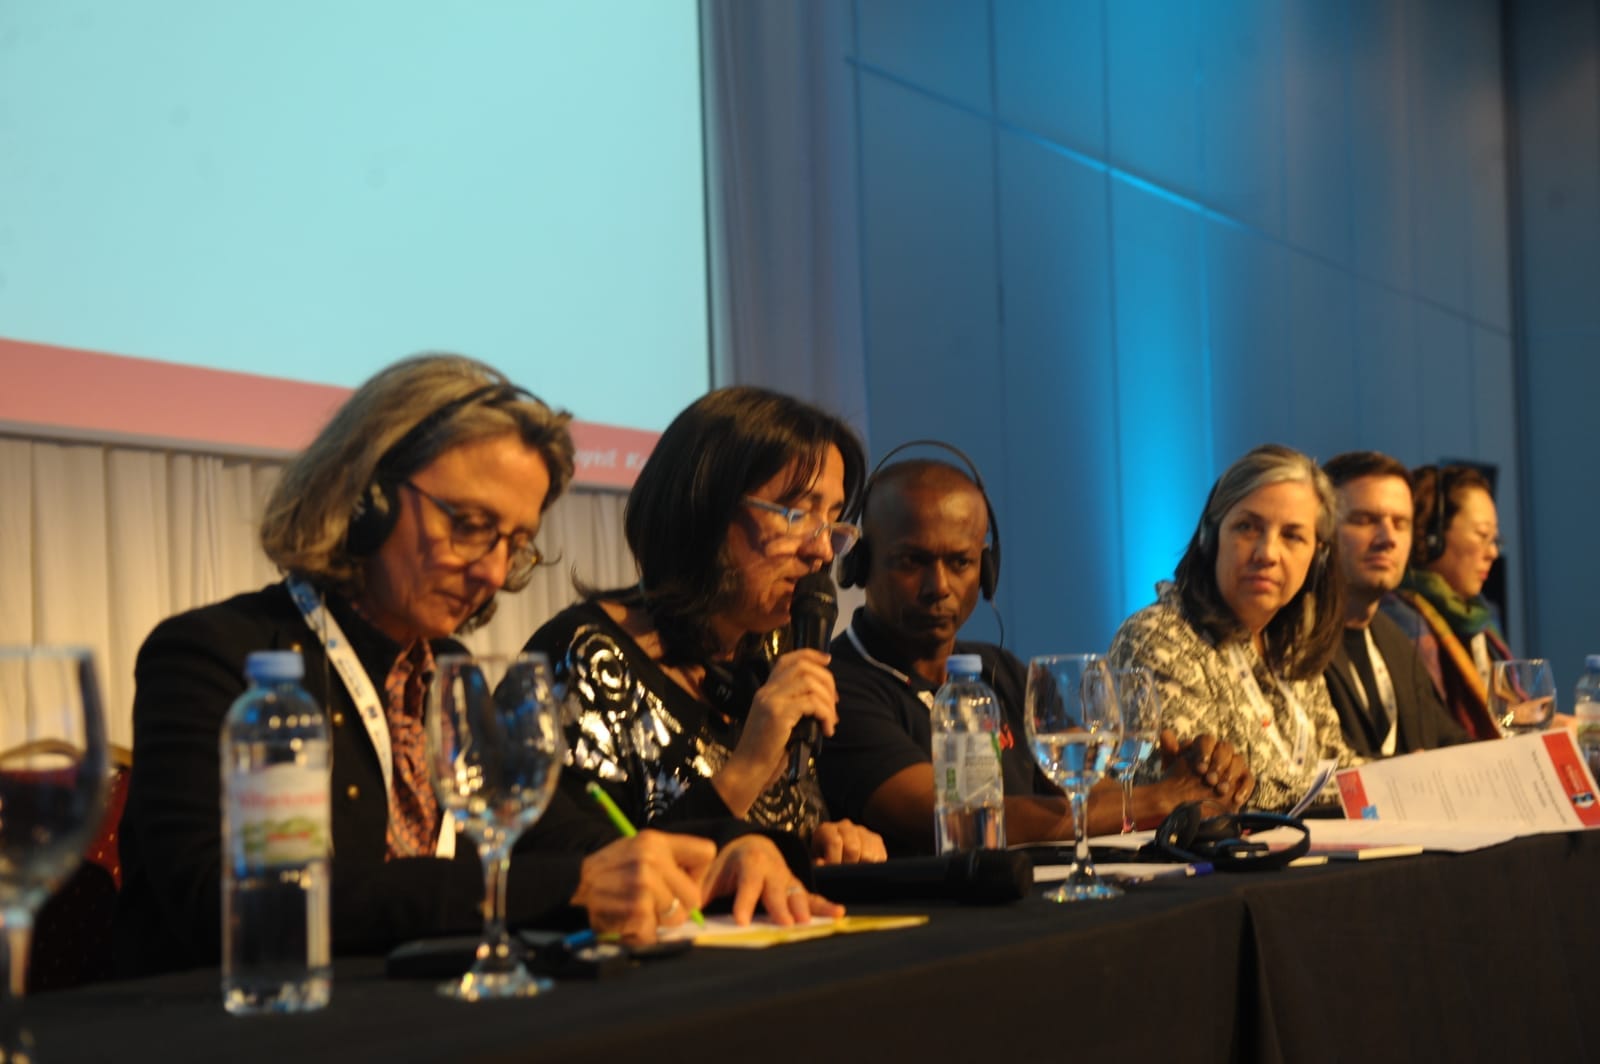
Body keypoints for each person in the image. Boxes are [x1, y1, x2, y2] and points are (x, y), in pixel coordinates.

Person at [115, 355, 831, 977]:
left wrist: (725, 847)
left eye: (513, 542)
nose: (491, 571)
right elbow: (233, 900)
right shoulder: (216, 655)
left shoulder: (447, 672)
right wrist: (565, 887)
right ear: (363, 496)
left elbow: (567, 833)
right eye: (469, 526)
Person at [818, 454, 1254, 856]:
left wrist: (1193, 786)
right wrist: (1160, 799)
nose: (939, 587)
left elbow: (1085, 791)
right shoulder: (837, 683)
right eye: (911, 561)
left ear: (987, 572)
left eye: (961, 562)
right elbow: (952, 818)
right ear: (858, 565)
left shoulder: (999, 670)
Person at [526, 386, 887, 865]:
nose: (822, 550)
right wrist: (746, 770)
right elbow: (579, 876)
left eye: (834, 520)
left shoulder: (770, 652)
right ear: (705, 510)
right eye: (798, 514)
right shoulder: (582, 659)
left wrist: (816, 845)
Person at [1108, 444, 1360, 813]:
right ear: (1211, 536)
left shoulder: (1290, 647)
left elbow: (1340, 765)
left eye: (1292, 536)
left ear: (1317, 556)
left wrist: (1407, 777)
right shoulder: (1156, 638)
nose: (1267, 553)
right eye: (1247, 527)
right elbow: (1203, 792)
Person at [1321, 452, 1471, 756]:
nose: (1388, 538)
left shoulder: (1396, 640)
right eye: (1364, 520)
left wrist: (1529, 742)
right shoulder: (1295, 642)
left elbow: (1450, 742)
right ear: (1322, 532)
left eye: (1400, 523)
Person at [1381, 464, 1507, 740]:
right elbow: (1441, 731)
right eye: (1482, 535)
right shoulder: (1403, 620)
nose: (1493, 552)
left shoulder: (1476, 622)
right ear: (1431, 536)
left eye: (1495, 540)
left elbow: (1500, 716)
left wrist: (1535, 719)